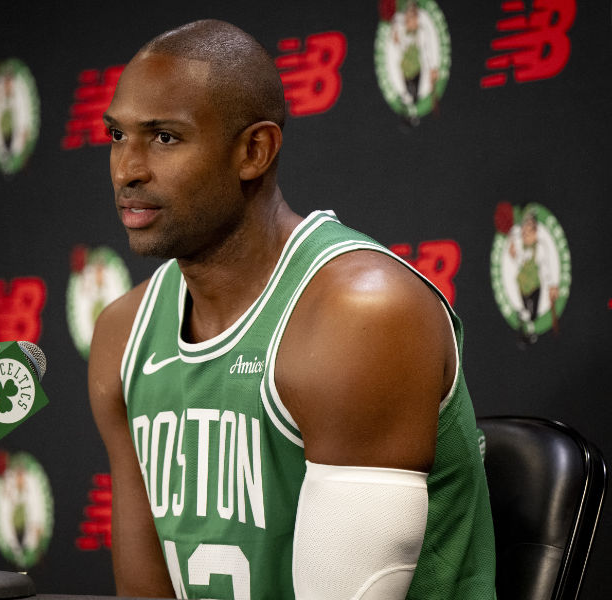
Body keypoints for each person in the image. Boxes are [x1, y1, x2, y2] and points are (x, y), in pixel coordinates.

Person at [88, 19, 495, 600]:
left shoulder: (361, 314)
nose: (128, 169)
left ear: (254, 151)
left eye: (165, 138)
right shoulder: (123, 333)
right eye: (116, 136)